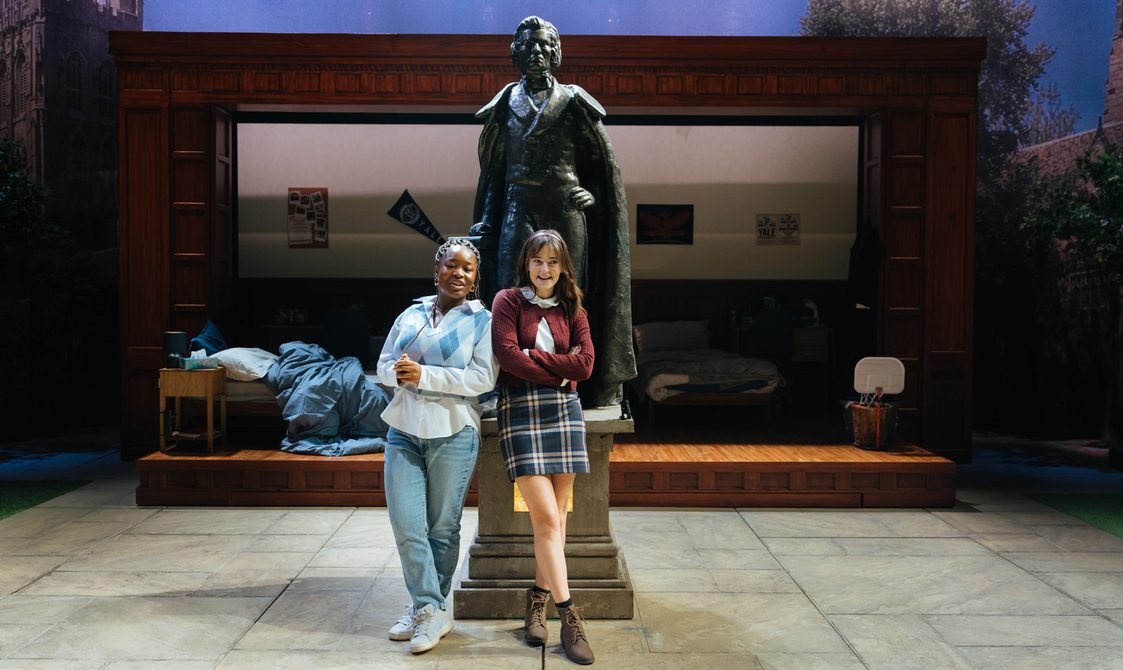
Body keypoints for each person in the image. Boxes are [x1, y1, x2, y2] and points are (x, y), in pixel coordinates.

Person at [471, 15, 635, 408]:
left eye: (544, 45)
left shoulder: (574, 102)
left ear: (556, 54)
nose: (536, 52)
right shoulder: (505, 103)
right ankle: (502, 379)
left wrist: (593, 197)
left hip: (565, 208)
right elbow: (494, 171)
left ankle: (582, 381)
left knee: (570, 295)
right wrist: (490, 218)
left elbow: (600, 166)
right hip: (517, 206)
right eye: (527, 45)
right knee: (507, 294)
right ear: (516, 52)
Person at [376, 239, 498, 655]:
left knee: (441, 529)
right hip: (404, 429)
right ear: (437, 271)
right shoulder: (410, 314)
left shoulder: (484, 321)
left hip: (454, 430)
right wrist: (398, 374)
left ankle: (428, 607)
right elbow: (382, 365)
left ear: (475, 279)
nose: (459, 274)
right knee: (407, 525)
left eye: (467, 269)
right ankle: (430, 607)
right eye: (452, 266)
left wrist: (423, 375)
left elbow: (482, 379)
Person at [490, 229, 596, 665]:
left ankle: (536, 601)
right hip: (520, 410)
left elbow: (585, 365)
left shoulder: (574, 308)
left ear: (563, 267)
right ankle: (569, 616)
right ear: (526, 264)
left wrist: (541, 362)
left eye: (553, 261)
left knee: (558, 518)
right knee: (547, 516)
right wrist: (559, 368)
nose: (545, 269)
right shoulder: (508, 302)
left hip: (565, 411)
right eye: (537, 261)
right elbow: (508, 356)